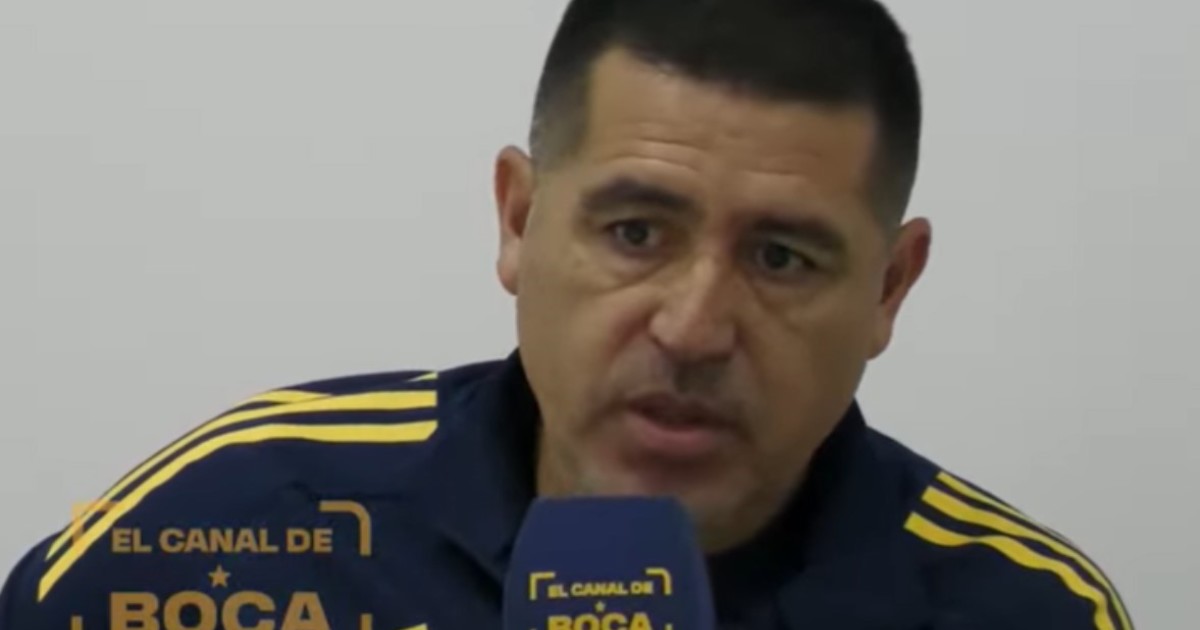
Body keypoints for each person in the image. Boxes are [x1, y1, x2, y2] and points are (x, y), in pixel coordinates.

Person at [1, 0, 1133, 628]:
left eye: (782, 258)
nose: (693, 329)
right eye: (636, 233)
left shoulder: (1033, 611)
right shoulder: (234, 522)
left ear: (889, 288)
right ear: (519, 219)